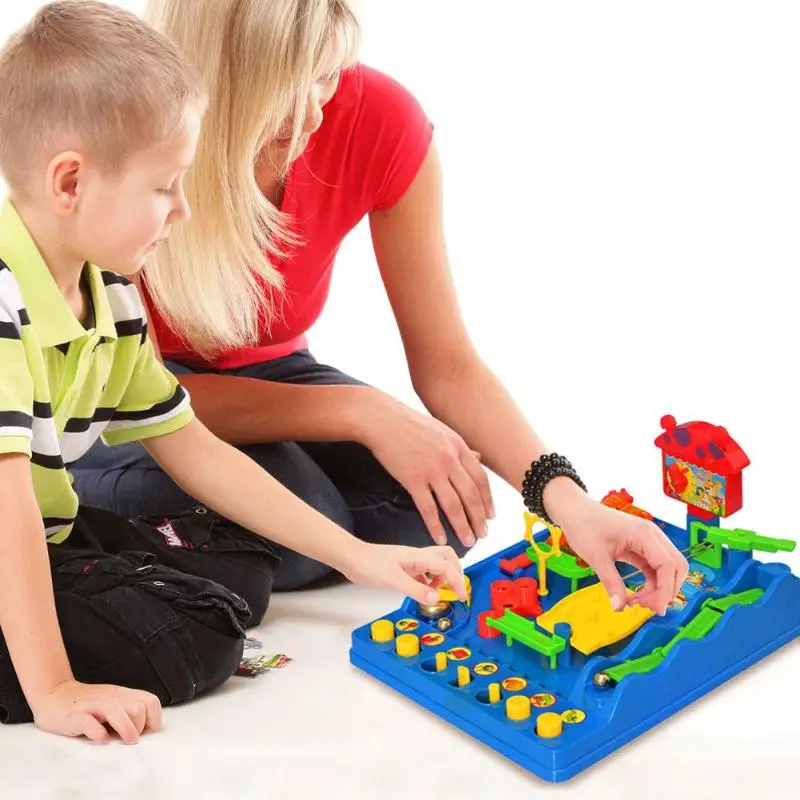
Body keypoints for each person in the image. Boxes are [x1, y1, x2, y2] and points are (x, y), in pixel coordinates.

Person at [71, 0, 689, 613]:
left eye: (326, 74)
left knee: (439, 509)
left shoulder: (380, 118)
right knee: (306, 521)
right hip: (115, 401)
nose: (315, 112)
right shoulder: (139, 139)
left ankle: (286, 533)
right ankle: (70, 497)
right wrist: (361, 412)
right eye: (287, 83)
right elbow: (134, 390)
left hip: (272, 375)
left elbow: (449, 366)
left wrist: (565, 499)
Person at [0, 0, 465, 743]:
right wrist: (54, 690)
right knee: (199, 642)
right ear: (70, 183)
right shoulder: (5, 305)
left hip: (49, 532)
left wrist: (362, 557)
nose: (183, 212)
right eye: (164, 187)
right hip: (13, 532)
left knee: (241, 578)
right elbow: (8, 514)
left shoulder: (109, 294)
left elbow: (197, 450)